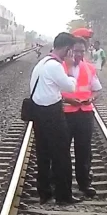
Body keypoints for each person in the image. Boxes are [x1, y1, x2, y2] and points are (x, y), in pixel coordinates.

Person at [28, 32, 78, 204]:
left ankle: (45, 192)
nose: (70, 54)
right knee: (61, 154)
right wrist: (70, 68)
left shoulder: (42, 63)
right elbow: (70, 87)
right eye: (70, 51)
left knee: (43, 153)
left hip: (38, 112)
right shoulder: (56, 66)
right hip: (52, 113)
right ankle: (63, 195)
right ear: (66, 49)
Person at [63, 37, 103, 197]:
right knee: (62, 149)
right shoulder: (60, 67)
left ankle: (84, 183)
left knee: (84, 150)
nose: (78, 54)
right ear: (69, 50)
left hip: (85, 112)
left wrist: (92, 98)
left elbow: (97, 89)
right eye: (75, 50)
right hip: (66, 113)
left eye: (82, 51)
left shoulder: (89, 68)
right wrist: (68, 99)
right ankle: (62, 184)